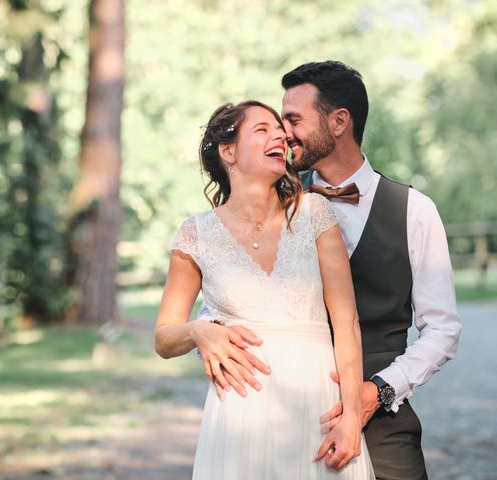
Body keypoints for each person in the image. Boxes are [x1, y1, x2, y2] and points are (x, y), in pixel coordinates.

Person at [199, 61, 462, 480]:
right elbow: (222, 290)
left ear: (339, 121)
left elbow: (443, 329)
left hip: (383, 420)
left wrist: (378, 391)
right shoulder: (270, 201)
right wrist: (208, 331)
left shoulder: (415, 211)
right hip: (285, 417)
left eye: (293, 119)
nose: (283, 133)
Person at [155, 100, 375, 478]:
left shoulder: (315, 214)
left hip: (317, 408)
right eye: (262, 129)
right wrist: (197, 331)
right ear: (228, 151)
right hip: (240, 416)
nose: (280, 135)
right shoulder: (196, 235)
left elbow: (347, 322)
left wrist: (351, 417)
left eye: (280, 129)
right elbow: (163, 338)